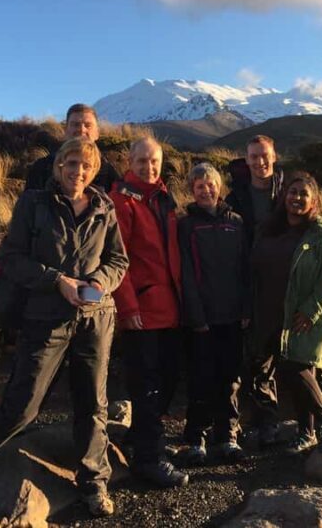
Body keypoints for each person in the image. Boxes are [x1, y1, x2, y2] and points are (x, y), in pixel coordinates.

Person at [0, 138, 129, 517]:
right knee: (23, 405)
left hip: (95, 320)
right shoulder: (34, 203)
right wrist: (57, 280)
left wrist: (99, 281)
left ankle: (94, 482)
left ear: (93, 171)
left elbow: (118, 260)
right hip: (46, 319)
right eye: (71, 163)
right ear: (58, 166)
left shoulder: (103, 208)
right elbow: (12, 259)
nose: (78, 171)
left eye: (85, 166)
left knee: (92, 404)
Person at [109, 136, 188, 488]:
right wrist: (127, 305)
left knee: (168, 378)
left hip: (169, 308)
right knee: (147, 385)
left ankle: (139, 438)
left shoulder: (163, 198)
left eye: (154, 161)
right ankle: (149, 459)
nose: (148, 167)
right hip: (141, 310)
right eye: (141, 161)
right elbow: (117, 258)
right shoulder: (122, 200)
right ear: (130, 161)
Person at [248, 172, 322, 454]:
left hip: (301, 315)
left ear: (313, 200)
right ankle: (306, 433)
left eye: (304, 193)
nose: (297, 198)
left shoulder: (321, 232)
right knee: (281, 372)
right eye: (293, 191)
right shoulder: (270, 228)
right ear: (284, 195)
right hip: (268, 310)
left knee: (297, 367)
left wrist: (312, 309)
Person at [177, 163, 250, 465]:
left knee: (230, 377)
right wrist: (195, 315)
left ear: (219, 187)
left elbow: (245, 270)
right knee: (201, 377)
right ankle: (196, 437)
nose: (206, 190)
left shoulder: (236, 222)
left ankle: (228, 435)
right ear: (192, 191)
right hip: (202, 319)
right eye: (199, 187)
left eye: (210, 185)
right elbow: (185, 273)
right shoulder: (186, 226)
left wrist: (246, 309)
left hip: (232, 316)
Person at [25, 103, 120, 192]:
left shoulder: (109, 172)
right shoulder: (42, 168)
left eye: (88, 125)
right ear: (66, 130)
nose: (81, 130)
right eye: (75, 124)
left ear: (97, 133)